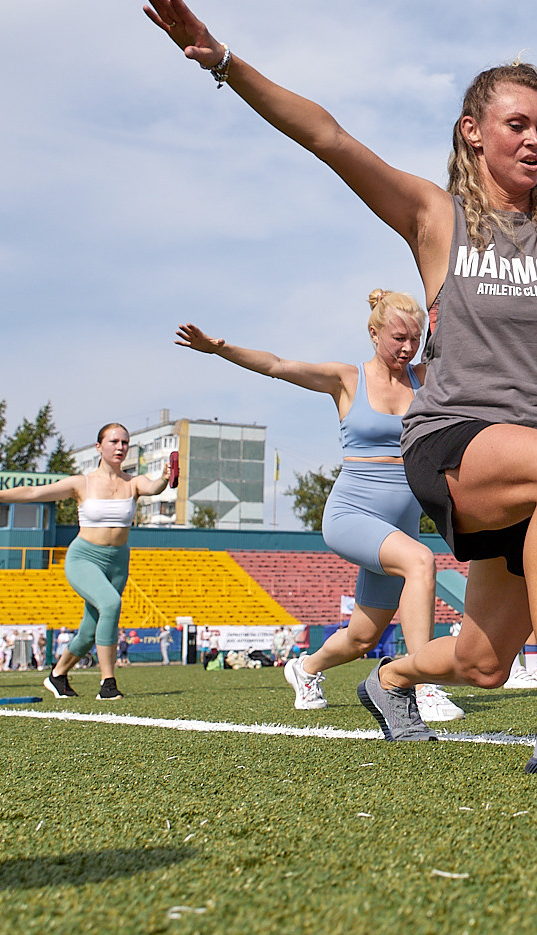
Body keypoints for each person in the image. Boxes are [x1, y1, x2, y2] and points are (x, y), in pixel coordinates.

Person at [146, 0, 537, 772]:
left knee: (483, 660)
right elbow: (330, 138)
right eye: (516, 124)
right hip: (453, 441)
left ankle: (391, 677)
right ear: (473, 132)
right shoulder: (439, 220)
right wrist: (225, 61)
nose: (535, 139)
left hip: (532, 471)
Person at [177, 292, 463, 724]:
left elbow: (472, 359)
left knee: (363, 637)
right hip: (352, 516)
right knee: (422, 561)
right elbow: (278, 366)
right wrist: (219, 348)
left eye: (415, 339)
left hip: (399, 525)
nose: (407, 348)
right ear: (373, 333)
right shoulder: (347, 379)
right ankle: (422, 685)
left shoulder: (424, 379)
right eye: (398, 337)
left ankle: (305, 667)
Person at [0, 425, 175, 699]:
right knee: (110, 604)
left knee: (88, 631)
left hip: (118, 561)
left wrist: (165, 478)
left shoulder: (133, 482)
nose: (120, 447)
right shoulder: (81, 483)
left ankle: (57, 675)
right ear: (99, 446)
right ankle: (107, 683)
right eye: (113, 441)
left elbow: (154, 487)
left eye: (125, 442)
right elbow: (32, 493)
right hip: (85, 557)